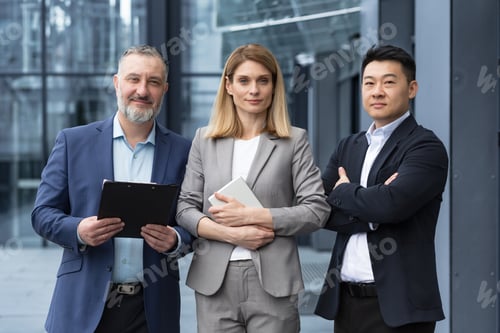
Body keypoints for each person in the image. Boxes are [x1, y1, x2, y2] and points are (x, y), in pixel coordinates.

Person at [31, 45, 192, 333]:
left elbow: (195, 219)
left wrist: (176, 239)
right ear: (117, 83)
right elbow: (42, 213)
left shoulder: (184, 151)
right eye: (133, 79)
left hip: (152, 310)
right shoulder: (73, 142)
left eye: (153, 82)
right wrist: (78, 230)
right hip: (82, 305)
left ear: (164, 89)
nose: (142, 90)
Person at [176, 43, 331, 332]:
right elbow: (185, 207)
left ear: (274, 86)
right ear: (229, 85)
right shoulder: (204, 140)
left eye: (263, 80)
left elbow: (316, 211)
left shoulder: (294, 141)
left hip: (274, 283)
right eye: (244, 81)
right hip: (214, 283)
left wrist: (252, 216)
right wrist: (232, 233)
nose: (254, 90)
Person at [314, 44, 448, 332]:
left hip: (400, 308)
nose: (377, 91)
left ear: (411, 89)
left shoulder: (425, 146)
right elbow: (321, 210)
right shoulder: (348, 146)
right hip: (346, 302)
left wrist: (345, 192)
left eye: (389, 82)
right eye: (369, 83)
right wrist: (373, 208)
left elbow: (391, 204)